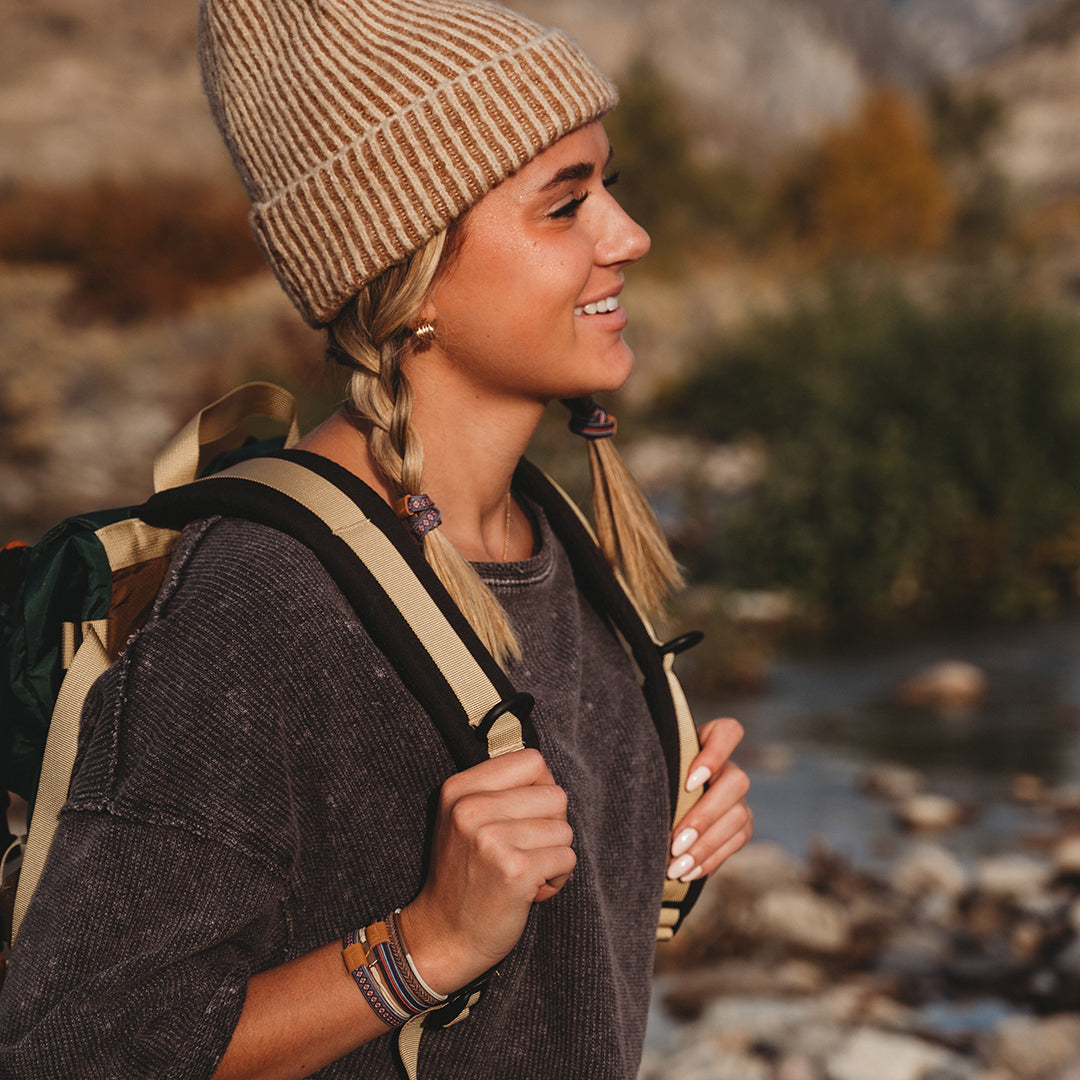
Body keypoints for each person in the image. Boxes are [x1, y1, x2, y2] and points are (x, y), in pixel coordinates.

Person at [0, 1, 752, 1077]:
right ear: (412, 274)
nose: (626, 236)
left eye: (609, 186)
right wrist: (426, 945)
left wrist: (659, 846)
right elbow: (76, 1051)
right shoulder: (263, 599)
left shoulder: (551, 538)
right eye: (565, 206)